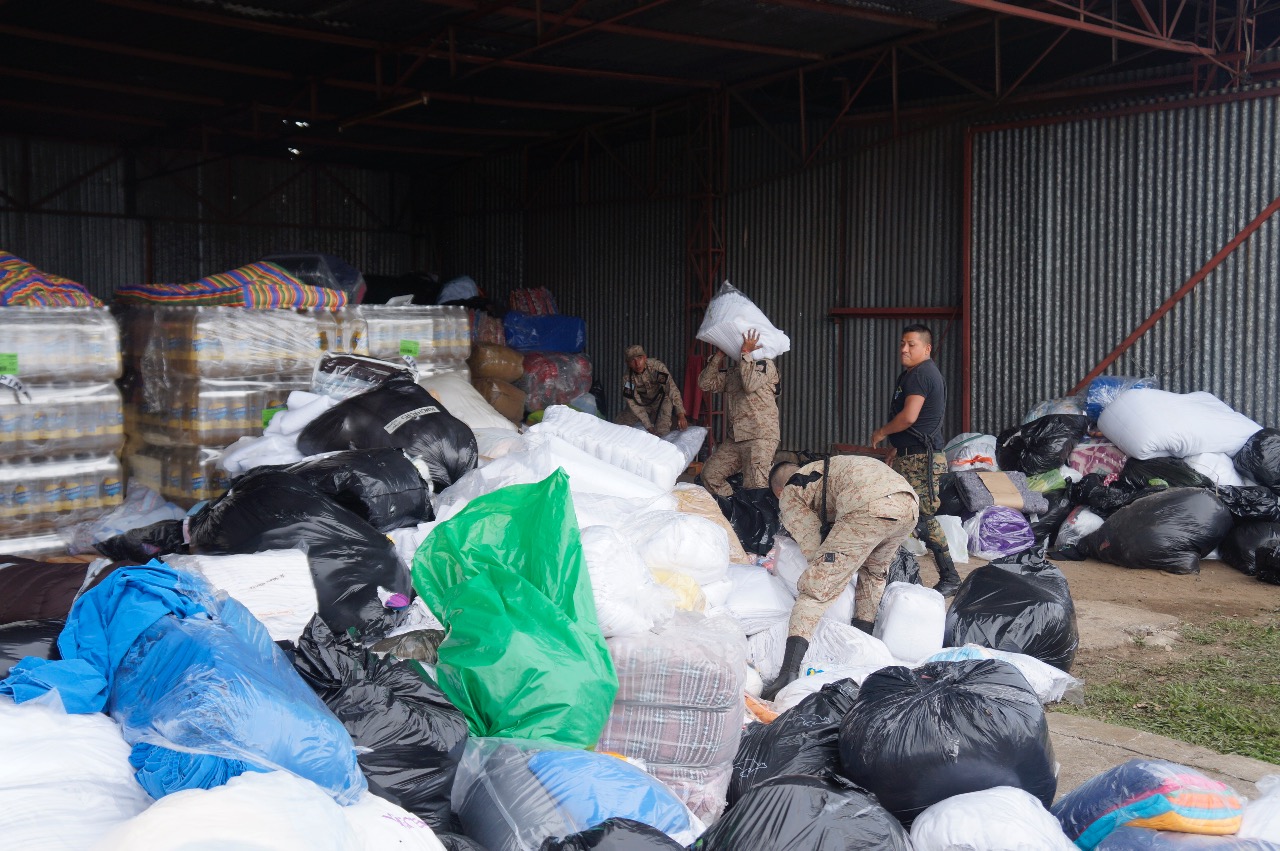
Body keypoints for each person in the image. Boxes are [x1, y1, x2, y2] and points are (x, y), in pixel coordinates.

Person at [761, 456, 919, 700]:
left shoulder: (792, 490)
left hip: (869, 506)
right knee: (873, 575)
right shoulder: (826, 468)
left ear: (779, 491)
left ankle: (787, 674)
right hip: (908, 504)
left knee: (816, 586)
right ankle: (862, 650)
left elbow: (813, 546)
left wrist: (829, 566)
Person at [869, 324, 961, 597]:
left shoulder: (920, 375)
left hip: (923, 461)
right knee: (901, 513)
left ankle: (951, 577)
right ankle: (886, 570)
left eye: (911, 344)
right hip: (913, 455)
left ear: (927, 348)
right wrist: (898, 448)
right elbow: (922, 423)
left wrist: (883, 432)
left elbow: (910, 416)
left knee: (923, 518)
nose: (904, 349)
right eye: (902, 344)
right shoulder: (915, 374)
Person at [696, 330, 780, 497]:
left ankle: (756, 522)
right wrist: (719, 356)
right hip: (736, 437)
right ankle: (736, 510)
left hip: (759, 436)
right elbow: (705, 383)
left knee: (756, 488)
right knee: (710, 475)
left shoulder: (765, 365)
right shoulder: (735, 373)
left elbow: (749, 383)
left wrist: (745, 353)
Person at [614, 344, 688, 436]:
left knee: (662, 431)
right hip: (642, 403)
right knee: (618, 424)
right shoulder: (627, 379)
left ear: (645, 358)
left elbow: (671, 388)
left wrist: (680, 413)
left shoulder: (656, 368)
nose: (637, 363)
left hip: (662, 400)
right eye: (633, 360)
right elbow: (633, 403)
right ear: (627, 363)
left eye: (639, 358)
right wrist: (649, 427)